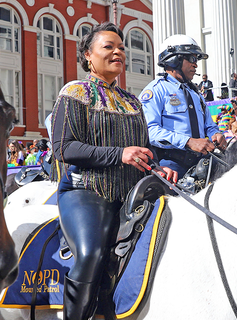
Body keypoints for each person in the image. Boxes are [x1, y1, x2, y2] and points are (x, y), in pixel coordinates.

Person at [51, 22, 177, 320]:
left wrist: (159, 170)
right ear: (88, 56)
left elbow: (143, 151)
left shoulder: (133, 102)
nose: (118, 51)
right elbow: (63, 148)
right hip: (86, 193)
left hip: (131, 197)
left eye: (121, 47)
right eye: (108, 46)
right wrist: (120, 154)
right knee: (92, 253)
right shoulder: (74, 92)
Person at [139, 34, 226, 177]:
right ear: (174, 60)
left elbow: (209, 126)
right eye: (191, 58)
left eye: (196, 59)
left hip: (201, 165)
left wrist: (216, 134)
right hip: (170, 168)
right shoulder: (156, 90)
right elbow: (150, 131)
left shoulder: (196, 94)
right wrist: (188, 142)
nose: (196, 64)